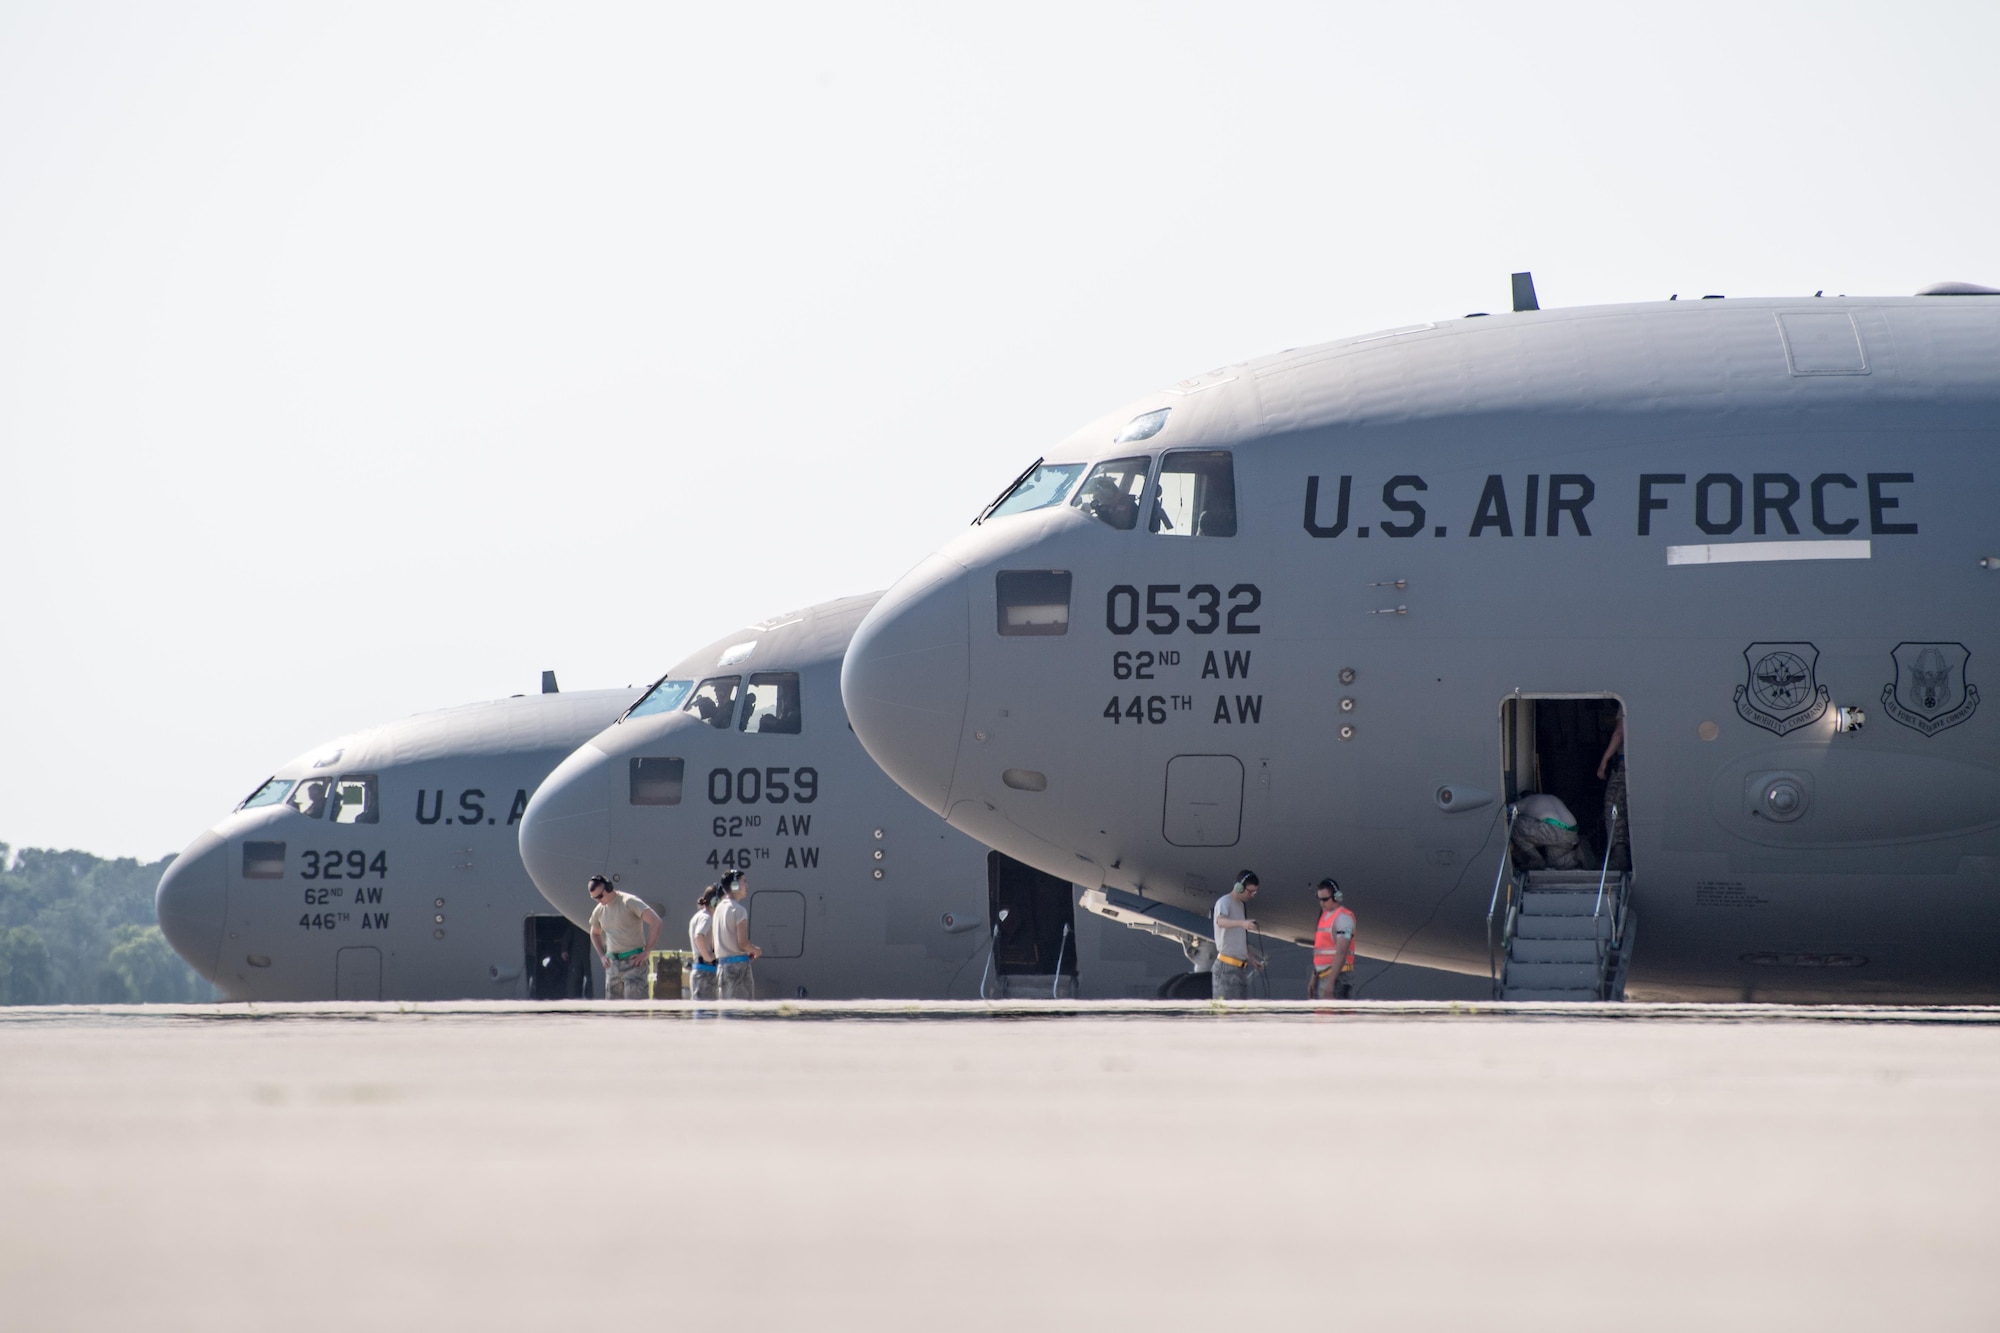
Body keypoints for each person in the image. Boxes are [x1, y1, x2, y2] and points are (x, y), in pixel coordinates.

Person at [587, 875, 661, 1000]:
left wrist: (647, 951)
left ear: (609, 888)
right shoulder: (599, 910)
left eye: (600, 896)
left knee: (634, 1011)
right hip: (613, 965)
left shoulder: (628, 901)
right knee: (614, 1012)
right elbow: (594, 933)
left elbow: (656, 921)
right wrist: (601, 955)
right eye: (595, 898)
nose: (599, 900)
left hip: (634, 962)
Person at [1209, 871, 1264, 1000]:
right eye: (1250, 891)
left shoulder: (1240, 905)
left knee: (1239, 1012)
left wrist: (1251, 959)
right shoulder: (1225, 902)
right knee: (1227, 1013)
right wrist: (1241, 923)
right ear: (1239, 887)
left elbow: (1239, 939)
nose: (1252, 895)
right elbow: (1220, 921)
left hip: (1240, 968)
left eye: (1254, 892)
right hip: (1226, 967)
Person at [710, 869, 763, 1000]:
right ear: (735, 885)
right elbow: (743, 943)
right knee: (741, 1014)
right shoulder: (738, 910)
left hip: (722, 968)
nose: (747, 886)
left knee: (726, 1013)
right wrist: (756, 950)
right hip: (739, 969)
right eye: (744, 882)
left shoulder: (719, 909)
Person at [1308, 878, 1357, 1000]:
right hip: (1324, 976)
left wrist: (1330, 983)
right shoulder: (1325, 916)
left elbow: (1342, 951)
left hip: (1337, 978)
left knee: (1332, 1017)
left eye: (1325, 899)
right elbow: (1320, 952)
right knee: (1323, 1017)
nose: (1322, 903)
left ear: (1336, 897)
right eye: (1319, 899)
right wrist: (1314, 977)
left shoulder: (1344, 919)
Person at [1597, 706, 1630, 872]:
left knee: (1613, 806)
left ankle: (1620, 855)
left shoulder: (1624, 706)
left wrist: (1604, 762)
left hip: (1625, 764)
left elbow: (1619, 732)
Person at [687, 885, 720, 1000]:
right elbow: (699, 936)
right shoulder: (706, 918)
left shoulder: (699, 916)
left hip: (701, 970)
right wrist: (708, 956)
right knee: (707, 1014)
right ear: (715, 901)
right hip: (706, 971)